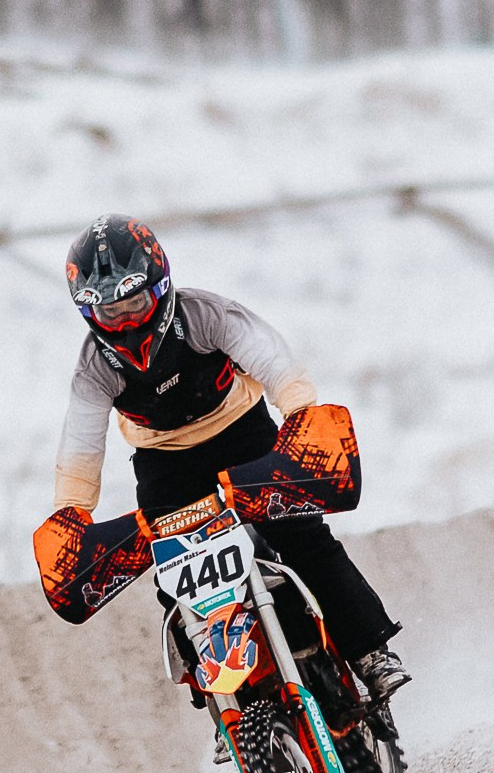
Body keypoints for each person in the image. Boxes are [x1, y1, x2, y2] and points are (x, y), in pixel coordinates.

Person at [43, 213, 409, 700]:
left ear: (160, 286)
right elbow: (80, 445)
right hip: (165, 464)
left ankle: (370, 650)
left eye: (134, 301)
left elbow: (275, 362)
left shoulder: (206, 315)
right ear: (89, 313)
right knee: (174, 579)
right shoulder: (93, 368)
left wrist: (301, 415)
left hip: (242, 432)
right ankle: (224, 702)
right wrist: (72, 513)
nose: (126, 321)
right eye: (111, 313)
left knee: (301, 534)